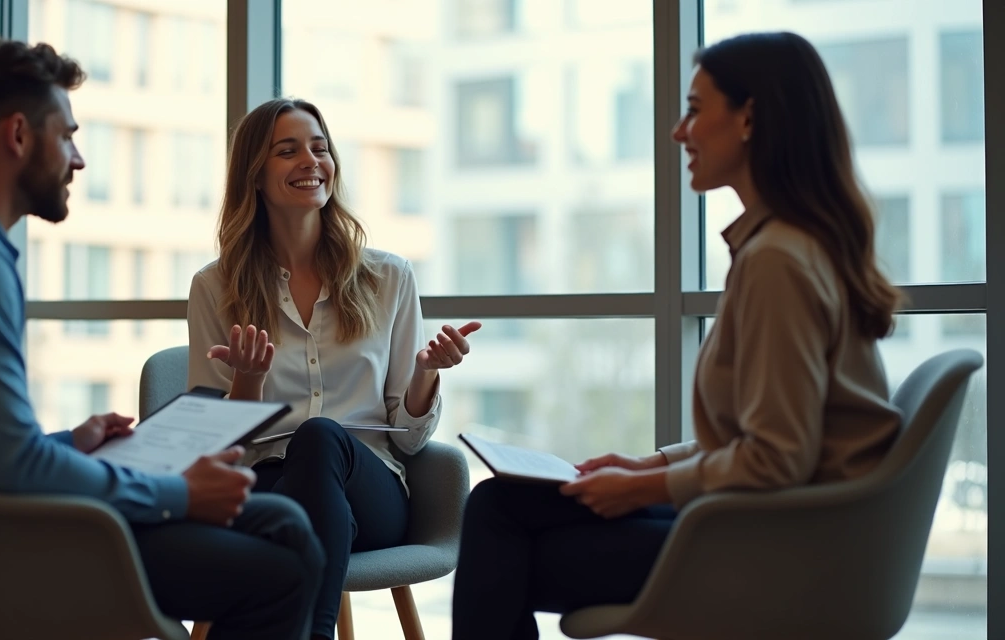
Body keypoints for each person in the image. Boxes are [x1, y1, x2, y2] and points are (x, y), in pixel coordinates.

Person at [0, 35, 324, 640]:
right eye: (66, 135)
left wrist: (76, 440)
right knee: (283, 559)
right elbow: (13, 468)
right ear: (18, 136)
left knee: (280, 522)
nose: (78, 159)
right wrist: (175, 492)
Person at [450, 31, 905, 639]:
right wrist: (650, 464)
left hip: (781, 546)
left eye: (694, 109)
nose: (678, 131)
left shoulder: (778, 262)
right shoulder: (792, 246)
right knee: (502, 505)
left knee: (504, 537)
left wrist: (646, 487)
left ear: (749, 118)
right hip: (778, 524)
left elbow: (776, 456)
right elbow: (769, 432)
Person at [186, 97, 481, 639]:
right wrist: (247, 381)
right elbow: (211, 450)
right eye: (287, 150)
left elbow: (410, 439)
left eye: (320, 148)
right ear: (254, 174)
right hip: (268, 483)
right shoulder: (214, 287)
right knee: (297, 515)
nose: (310, 161)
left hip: (371, 489)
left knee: (319, 438)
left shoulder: (389, 278)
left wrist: (426, 373)